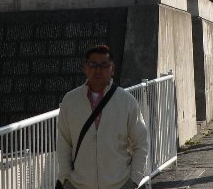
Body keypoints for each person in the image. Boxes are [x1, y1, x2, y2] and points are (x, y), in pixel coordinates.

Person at [57, 45, 148, 189]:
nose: (98, 70)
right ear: (85, 68)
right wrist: (65, 178)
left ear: (112, 69)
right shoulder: (70, 101)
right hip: (79, 184)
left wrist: (134, 179)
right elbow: (63, 143)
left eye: (104, 65)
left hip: (119, 183)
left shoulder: (126, 101)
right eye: (93, 64)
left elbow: (141, 142)